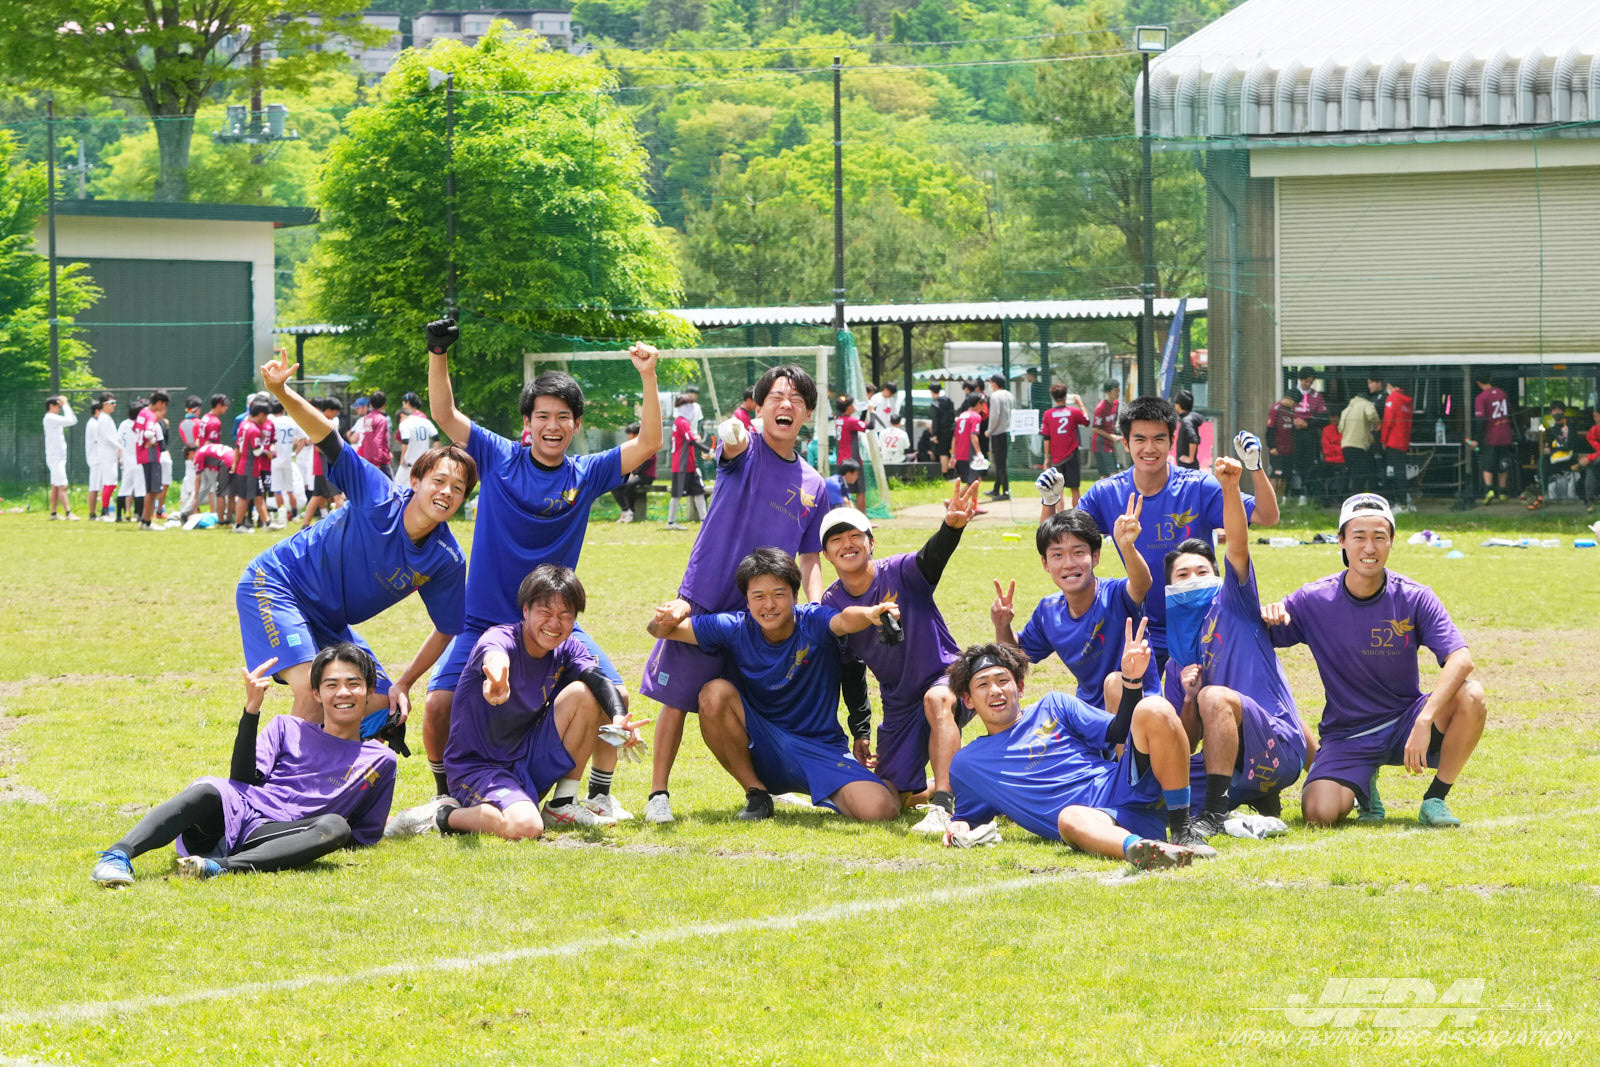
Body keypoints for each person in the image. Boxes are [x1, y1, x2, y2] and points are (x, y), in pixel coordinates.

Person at [423, 318, 660, 823]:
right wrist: (437, 352)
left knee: (614, 693)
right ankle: (446, 795)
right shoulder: (498, 457)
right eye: (543, 416)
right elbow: (444, 413)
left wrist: (648, 376)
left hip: (552, 623)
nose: (553, 426)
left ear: (577, 424)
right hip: (483, 620)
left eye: (563, 417)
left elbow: (647, 444)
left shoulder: (586, 473)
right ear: (527, 423)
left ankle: (589, 796)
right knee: (438, 703)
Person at [240, 355, 476, 744]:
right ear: (415, 480)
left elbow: (447, 627)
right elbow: (327, 438)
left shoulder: (446, 558)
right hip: (277, 583)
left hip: (329, 618)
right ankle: (272, 777)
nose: (447, 492)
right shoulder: (378, 495)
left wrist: (403, 683)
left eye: (458, 488)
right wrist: (281, 391)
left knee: (380, 703)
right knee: (316, 692)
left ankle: (336, 773)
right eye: (439, 481)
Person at [639, 364, 828, 824]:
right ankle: (658, 794)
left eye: (797, 400)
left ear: (807, 413)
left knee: (760, 702)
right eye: (777, 397)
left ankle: (767, 787)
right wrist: (732, 434)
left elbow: (810, 558)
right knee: (677, 699)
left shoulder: (815, 484)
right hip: (704, 597)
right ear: (759, 406)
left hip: (766, 612)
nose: (786, 405)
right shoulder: (747, 450)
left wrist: (815, 608)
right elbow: (732, 443)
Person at [90, 646, 397, 887]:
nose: (343, 693)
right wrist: (252, 710)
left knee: (335, 827)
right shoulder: (287, 726)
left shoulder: (380, 760)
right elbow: (241, 778)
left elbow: (363, 833)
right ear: (317, 693)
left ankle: (217, 868)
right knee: (207, 789)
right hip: (235, 815)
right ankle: (116, 856)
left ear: (370, 691)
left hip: (280, 835)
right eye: (332, 685)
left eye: (353, 684)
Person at [1267, 493, 1487, 827]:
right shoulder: (1313, 599)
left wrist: (1425, 720)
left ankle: (1435, 799)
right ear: (1341, 541)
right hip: (1348, 734)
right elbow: (1256, 633)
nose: (1369, 548)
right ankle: (1364, 787)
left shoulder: (1415, 596)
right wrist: (1267, 613)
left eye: (1379, 537)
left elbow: (1461, 659)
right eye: (1359, 537)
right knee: (1318, 814)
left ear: (1392, 541)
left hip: (1406, 721)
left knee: (1472, 695)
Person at [648, 547, 901, 822]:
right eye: (759, 596)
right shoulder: (735, 627)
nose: (768, 605)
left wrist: (870, 614)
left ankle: (907, 790)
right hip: (762, 747)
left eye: (779, 594)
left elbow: (843, 620)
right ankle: (756, 793)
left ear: (795, 596)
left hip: (820, 749)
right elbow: (660, 630)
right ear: (747, 601)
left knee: (880, 810)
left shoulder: (813, 621)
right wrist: (672, 613)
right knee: (714, 693)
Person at [399, 566, 645, 839]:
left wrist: (619, 718)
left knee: (583, 693)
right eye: (545, 612)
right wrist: (498, 676)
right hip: (480, 768)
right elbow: (495, 655)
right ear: (526, 610)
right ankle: (438, 816)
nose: (554, 624)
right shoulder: (500, 637)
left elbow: (597, 679)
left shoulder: (568, 648)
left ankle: (563, 804)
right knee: (527, 827)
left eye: (565, 616)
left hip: (526, 759)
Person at [944, 638, 1211, 865]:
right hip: (1098, 821)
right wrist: (960, 825)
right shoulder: (968, 765)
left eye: (1003, 680)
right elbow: (967, 815)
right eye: (983, 685)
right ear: (968, 699)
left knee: (1154, 707)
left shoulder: (1054, 705)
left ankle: (1182, 830)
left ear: (1020, 688)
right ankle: (1145, 850)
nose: (995, 690)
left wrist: (1131, 681)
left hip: (1124, 786)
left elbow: (1118, 732)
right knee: (1070, 818)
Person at [1158, 456, 1313, 840]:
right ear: (1170, 586)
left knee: (1214, 697)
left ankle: (1213, 813)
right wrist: (1188, 699)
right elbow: (1184, 743)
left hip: (1278, 749)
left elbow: (1238, 547)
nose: (1193, 579)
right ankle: (1254, 797)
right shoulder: (1177, 658)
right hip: (1233, 765)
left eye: (1202, 571)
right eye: (1183, 574)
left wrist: (1229, 487)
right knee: (1156, 786)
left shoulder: (1233, 603)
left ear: (1218, 576)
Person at [819, 485, 982, 833]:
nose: (847, 544)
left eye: (855, 536)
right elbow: (850, 669)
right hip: (899, 703)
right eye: (836, 540)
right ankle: (958, 787)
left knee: (936, 699)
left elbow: (930, 559)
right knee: (890, 798)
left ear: (871, 542)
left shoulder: (900, 571)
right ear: (826, 555)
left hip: (946, 679)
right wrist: (861, 731)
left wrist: (951, 528)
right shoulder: (830, 605)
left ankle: (943, 807)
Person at [1079, 397, 1278, 673]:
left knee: (1206, 696)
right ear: (1125, 443)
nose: (1150, 448)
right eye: (1140, 439)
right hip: (1142, 626)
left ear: (1172, 441)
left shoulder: (1198, 486)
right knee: (1122, 691)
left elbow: (1267, 516)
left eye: (1159, 439)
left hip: (1203, 622)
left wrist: (1255, 467)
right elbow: (1060, 541)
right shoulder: (1106, 493)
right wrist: (1049, 502)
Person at [993, 499, 1155, 718]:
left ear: (1095, 556)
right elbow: (1016, 657)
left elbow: (1141, 584)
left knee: (1115, 683)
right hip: (1089, 717)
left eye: (1078, 552)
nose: (1068, 563)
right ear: (1045, 564)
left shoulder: (1115, 595)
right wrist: (1002, 626)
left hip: (1139, 711)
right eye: (1057, 555)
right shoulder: (1048, 611)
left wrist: (1127, 548)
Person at [1039, 385, 1090, 510]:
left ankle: (1060, 516)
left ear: (1053, 397)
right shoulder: (1073, 411)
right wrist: (1080, 404)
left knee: (1058, 490)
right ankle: (1077, 516)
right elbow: (1086, 421)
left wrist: (1046, 457)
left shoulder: (1048, 414)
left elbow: (1046, 438)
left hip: (1056, 457)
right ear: (1066, 396)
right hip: (1072, 455)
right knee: (1075, 488)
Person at [667, 393, 710, 531]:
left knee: (698, 491)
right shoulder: (682, 422)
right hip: (681, 464)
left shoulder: (683, 422)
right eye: (689, 405)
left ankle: (704, 521)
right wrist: (708, 450)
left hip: (690, 464)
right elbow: (691, 441)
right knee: (677, 494)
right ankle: (670, 522)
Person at [1467, 375, 1513, 503]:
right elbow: (1509, 410)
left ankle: (1489, 490)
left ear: (1478, 383)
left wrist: (1476, 439)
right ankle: (1503, 492)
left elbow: (1481, 420)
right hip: (1506, 435)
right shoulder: (1502, 394)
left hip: (1490, 436)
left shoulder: (1481, 397)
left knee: (1487, 464)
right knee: (1503, 463)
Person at [301, 397, 345, 526]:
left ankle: (305, 525)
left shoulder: (320, 420)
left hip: (320, 466)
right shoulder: (322, 422)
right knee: (338, 496)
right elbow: (318, 447)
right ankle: (339, 526)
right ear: (329, 410)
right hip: (325, 465)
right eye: (336, 412)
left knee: (317, 495)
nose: (336, 415)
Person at [232, 400, 274, 532]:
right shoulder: (254, 429)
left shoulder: (244, 425)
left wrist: (235, 463)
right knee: (244, 498)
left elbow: (237, 445)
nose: (266, 419)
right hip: (249, 468)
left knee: (259, 496)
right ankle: (238, 526)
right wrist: (268, 452)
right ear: (260, 414)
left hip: (246, 467)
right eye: (266, 416)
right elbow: (256, 451)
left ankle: (267, 523)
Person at [133, 390, 169, 530]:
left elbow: (135, 429)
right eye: (164, 404)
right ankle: (147, 522)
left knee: (150, 489)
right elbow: (148, 433)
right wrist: (153, 441)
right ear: (159, 402)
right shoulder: (151, 415)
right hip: (151, 455)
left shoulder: (142, 412)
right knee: (153, 490)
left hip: (142, 454)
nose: (164, 408)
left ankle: (144, 520)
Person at [268, 398, 307, 527]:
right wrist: (296, 453)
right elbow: (303, 439)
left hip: (275, 459)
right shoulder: (291, 421)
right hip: (288, 459)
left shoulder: (271, 422)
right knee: (290, 489)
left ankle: (282, 515)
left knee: (277, 490)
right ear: (283, 409)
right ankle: (295, 515)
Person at [1291, 370, 1327, 506]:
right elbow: (1283, 411)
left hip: (1310, 434)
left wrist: (1308, 423)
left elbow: (1324, 418)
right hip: (1294, 434)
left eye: (1311, 382)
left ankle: (1308, 494)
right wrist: (1293, 421)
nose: (1308, 384)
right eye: (1306, 381)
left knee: (1311, 465)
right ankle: (1294, 494)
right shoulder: (1292, 393)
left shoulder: (1317, 396)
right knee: (1296, 464)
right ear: (1300, 379)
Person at [42, 395, 80, 521]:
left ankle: (53, 513)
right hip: (55, 458)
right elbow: (72, 420)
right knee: (63, 486)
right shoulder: (50, 417)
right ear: (51, 406)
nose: (60, 408)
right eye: (58, 406)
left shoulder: (53, 418)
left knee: (55, 486)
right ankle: (68, 513)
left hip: (57, 456)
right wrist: (66, 405)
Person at [611, 421, 657, 523]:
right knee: (614, 485)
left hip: (646, 476)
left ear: (636, 435)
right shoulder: (632, 446)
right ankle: (625, 510)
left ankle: (631, 511)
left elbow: (645, 463)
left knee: (629, 485)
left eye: (630, 434)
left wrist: (633, 474)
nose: (628, 436)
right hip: (634, 474)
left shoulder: (647, 445)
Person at [85, 393, 120, 522]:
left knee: (110, 483)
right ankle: (101, 512)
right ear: (103, 405)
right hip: (101, 457)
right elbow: (107, 438)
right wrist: (121, 447)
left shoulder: (106, 418)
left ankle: (103, 511)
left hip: (108, 455)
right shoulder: (101, 419)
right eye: (112, 403)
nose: (114, 405)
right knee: (105, 484)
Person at [1380, 379, 1414, 510]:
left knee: (1391, 472)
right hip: (1403, 441)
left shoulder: (1392, 398)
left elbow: (1387, 421)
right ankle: (1403, 500)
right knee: (1401, 472)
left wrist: (1383, 440)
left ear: (1390, 385)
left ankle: (1395, 501)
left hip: (1393, 442)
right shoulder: (1407, 401)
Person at [1338, 386, 1379, 495]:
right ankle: (1357, 500)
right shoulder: (1366, 404)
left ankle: (1355, 499)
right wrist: (1377, 423)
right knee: (1361, 476)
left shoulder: (1347, 408)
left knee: (1356, 475)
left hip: (1345, 447)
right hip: (1358, 446)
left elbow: (1340, 428)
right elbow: (1372, 415)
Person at [394, 392, 438, 487]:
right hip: (423, 461)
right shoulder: (423, 417)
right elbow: (435, 436)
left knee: (397, 486)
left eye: (403, 403)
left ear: (408, 403)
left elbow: (401, 439)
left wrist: (402, 458)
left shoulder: (406, 419)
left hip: (409, 462)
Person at [984, 373, 1014, 500]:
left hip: (998, 433)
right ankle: (996, 489)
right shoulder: (1010, 395)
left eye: (991, 383)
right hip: (1008, 433)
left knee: (1000, 464)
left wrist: (989, 430)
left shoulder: (995, 396)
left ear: (995, 384)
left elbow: (994, 416)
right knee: (1002, 462)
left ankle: (1006, 492)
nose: (990, 385)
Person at [115, 398, 144, 524]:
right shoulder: (139, 426)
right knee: (140, 490)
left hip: (126, 462)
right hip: (139, 462)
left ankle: (118, 515)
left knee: (124, 489)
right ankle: (139, 515)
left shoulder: (123, 424)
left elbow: (118, 440)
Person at [176, 396, 203, 517]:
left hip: (188, 457)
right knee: (197, 485)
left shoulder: (182, 424)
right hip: (198, 457)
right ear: (197, 409)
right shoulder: (199, 423)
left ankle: (190, 507)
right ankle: (193, 509)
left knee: (190, 483)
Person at [1266, 393, 1296, 500]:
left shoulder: (1291, 411)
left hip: (1288, 450)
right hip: (1277, 450)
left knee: (1285, 476)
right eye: (1294, 402)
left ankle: (1281, 499)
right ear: (1288, 399)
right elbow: (1270, 429)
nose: (1294, 405)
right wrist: (1272, 446)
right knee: (1275, 475)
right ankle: (1271, 500)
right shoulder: (1276, 409)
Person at [1091, 381, 1122, 478]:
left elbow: (1113, 422)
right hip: (1100, 444)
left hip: (1109, 442)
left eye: (1119, 390)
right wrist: (1112, 437)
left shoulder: (1116, 403)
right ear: (1108, 392)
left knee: (1106, 475)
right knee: (1113, 473)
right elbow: (1095, 429)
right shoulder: (1101, 408)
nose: (1118, 393)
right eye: (1116, 391)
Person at [357, 391, 392, 475]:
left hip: (367, 458)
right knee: (389, 482)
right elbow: (378, 440)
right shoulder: (381, 419)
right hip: (380, 461)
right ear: (384, 405)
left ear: (370, 404)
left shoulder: (367, 418)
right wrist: (377, 462)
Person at [952, 395, 983, 486]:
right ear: (977, 404)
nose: (983, 406)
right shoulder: (976, 416)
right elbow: (973, 435)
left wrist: (953, 455)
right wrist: (979, 453)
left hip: (960, 452)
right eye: (982, 403)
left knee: (974, 480)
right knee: (973, 482)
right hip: (969, 452)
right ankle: (955, 496)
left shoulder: (962, 415)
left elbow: (954, 437)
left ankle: (970, 498)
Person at [928, 381, 956, 477]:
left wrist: (934, 434)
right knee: (951, 451)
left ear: (931, 391)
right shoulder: (949, 401)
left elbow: (935, 420)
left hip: (941, 432)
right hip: (951, 430)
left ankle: (945, 474)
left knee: (942, 452)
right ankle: (952, 472)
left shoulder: (935, 404)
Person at [1577, 408, 1600, 513]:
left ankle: (1589, 501)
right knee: (1590, 467)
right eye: (1594, 416)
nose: (1595, 419)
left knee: (1590, 464)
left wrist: (1589, 458)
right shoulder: (1594, 431)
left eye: (1597, 416)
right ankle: (1589, 499)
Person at [835, 395, 868, 466]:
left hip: (842, 458)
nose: (854, 406)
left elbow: (859, 424)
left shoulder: (839, 420)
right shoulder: (850, 421)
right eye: (852, 405)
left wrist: (865, 410)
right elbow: (871, 426)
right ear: (848, 408)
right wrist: (872, 411)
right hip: (851, 458)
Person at [1173, 389, 1203, 471]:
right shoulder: (1190, 419)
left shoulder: (1186, 421)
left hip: (1188, 467)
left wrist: (1190, 458)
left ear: (1178, 405)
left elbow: (1193, 439)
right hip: (1189, 467)